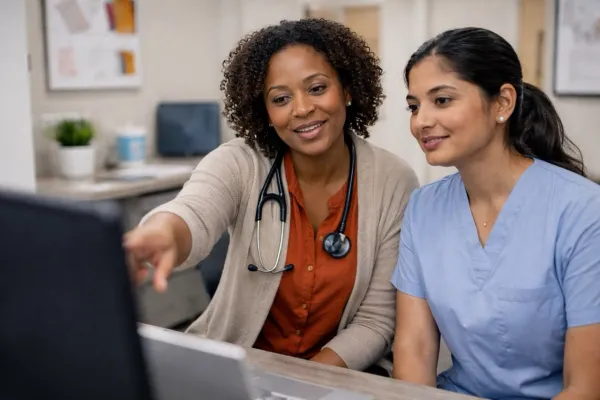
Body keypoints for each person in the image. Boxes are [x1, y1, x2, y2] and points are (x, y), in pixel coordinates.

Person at [125, 18, 419, 375]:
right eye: (281, 98)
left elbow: (376, 320)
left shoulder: (393, 181)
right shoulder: (239, 163)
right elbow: (194, 212)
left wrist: (303, 383)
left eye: (316, 88)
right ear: (265, 112)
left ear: (347, 89)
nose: (301, 108)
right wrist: (163, 233)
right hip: (238, 370)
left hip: (340, 376)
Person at [391, 27, 600, 399]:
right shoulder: (423, 208)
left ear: (503, 102)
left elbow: (585, 388)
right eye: (413, 106)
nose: (420, 121)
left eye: (441, 100)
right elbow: (415, 354)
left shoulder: (582, 211)